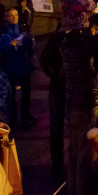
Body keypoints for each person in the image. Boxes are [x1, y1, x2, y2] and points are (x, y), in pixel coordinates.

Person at [60, 12, 98, 195]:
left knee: (75, 152)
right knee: (83, 155)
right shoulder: (83, 47)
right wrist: (93, 13)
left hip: (73, 103)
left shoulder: (66, 44)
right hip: (86, 104)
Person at [0, 8, 36, 125]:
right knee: (11, 93)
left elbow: (31, 46)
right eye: (11, 16)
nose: (14, 18)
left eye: (16, 15)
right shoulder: (2, 31)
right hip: (9, 65)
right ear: (7, 18)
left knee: (26, 91)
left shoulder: (23, 29)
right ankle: (13, 116)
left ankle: (25, 115)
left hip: (23, 64)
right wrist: (9, 45)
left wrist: (30, 42)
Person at [40, 27, 66, 173]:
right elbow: (44, 58)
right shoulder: (57, 37)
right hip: (58, 87)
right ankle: (57, 161)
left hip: (74, 87)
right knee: (56, 126)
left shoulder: (82, 35)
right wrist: (54, 74)